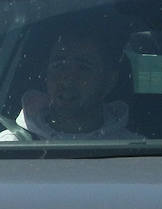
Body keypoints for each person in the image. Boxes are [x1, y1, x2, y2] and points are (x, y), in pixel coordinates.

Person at [1, 28, 135, 142]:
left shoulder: (137, 154)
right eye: (58, 65)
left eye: (83, 67)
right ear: (45, 75)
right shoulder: (9, 146)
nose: (67, 79)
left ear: (109, 81)